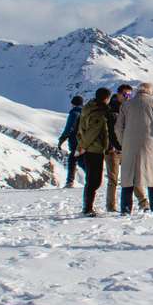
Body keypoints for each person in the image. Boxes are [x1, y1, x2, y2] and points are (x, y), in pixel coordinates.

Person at [114, 81, 153, 215]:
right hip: (150, 145)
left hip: (129, 146)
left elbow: (118, 127)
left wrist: (123, 142)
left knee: (128, 178)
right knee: (152, 177)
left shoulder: (126, 105)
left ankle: (126, 210)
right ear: (150, 92)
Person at [75, 87, 113, 215]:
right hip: (94, 149)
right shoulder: (99, 113)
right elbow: (93, 132)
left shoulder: (88, 108)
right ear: (106, 98)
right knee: (94, 180)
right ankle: (87, 208)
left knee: (91, 179)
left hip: (90, 149)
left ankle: (87, 206)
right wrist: (83, 146)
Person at [105, 84, 131, 209]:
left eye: (130, 95)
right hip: (113, 150)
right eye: (126, 94)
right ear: (119, 94)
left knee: (130, 177)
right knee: (113, 180)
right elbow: (109, 131)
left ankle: (141, 203)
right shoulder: (111, 109)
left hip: (125, 147)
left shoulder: (127, 108)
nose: (128, 97)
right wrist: (113, 146)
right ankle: (111, 206)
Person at [54, 94, 84, 189]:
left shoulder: (74, 113)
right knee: (81, 161)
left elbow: (69, 128)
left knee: (73, 160)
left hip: (76, 141)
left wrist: (62, 139)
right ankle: (93, 179)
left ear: (73, 104)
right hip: (85, 141)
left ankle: (70, 182)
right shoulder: (86, 113)